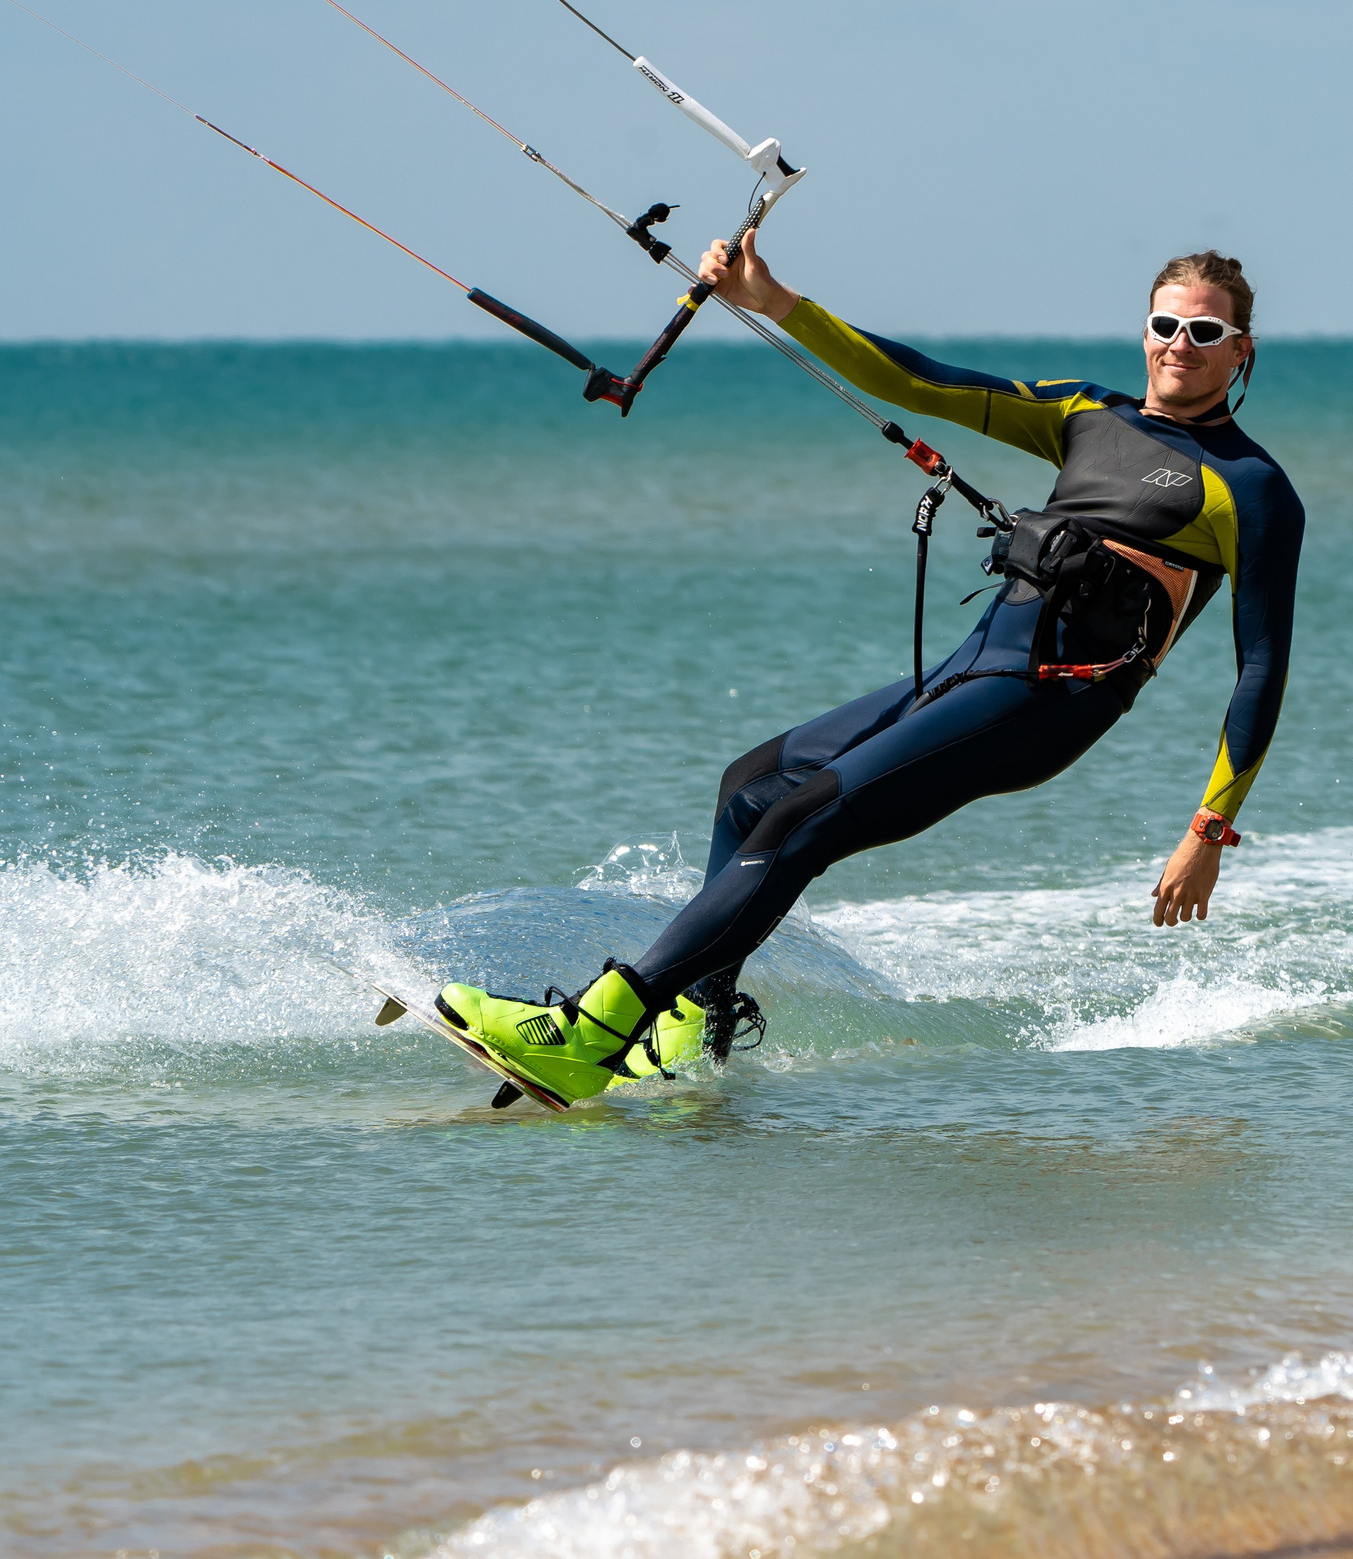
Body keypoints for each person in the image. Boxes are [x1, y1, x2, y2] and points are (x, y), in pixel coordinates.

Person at [430, 238, 1305, 1103]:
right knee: (750, 790)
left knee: (802, 821)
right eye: (1166, 324)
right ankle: (695, 1025)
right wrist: (774, 300)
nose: (1179, 347)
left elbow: (1260, 664)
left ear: (1242, 352)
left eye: (1205, 334)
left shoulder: (1252, 489)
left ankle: (592, 1029)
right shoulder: (1085, 414)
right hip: (974, 670)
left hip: (1043, 707)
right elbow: (918, 383)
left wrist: (1208, 829)